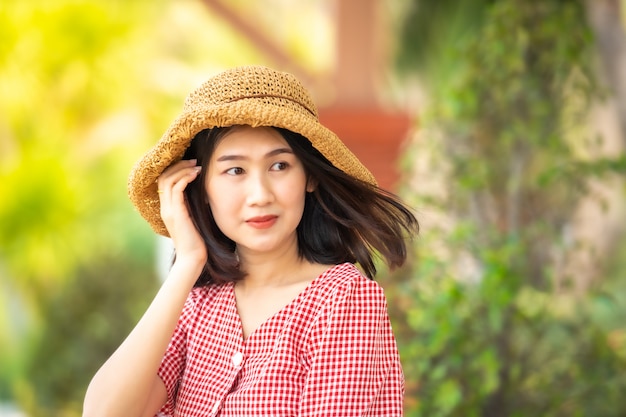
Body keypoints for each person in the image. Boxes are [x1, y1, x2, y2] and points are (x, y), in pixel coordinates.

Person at [83, 65, 418, 417]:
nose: (260, 195)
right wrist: (187, 262)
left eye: (279, 166)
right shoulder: (197, 306)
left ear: (310, 177)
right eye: (235, 170)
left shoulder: (343, 299)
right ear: (201, 189)